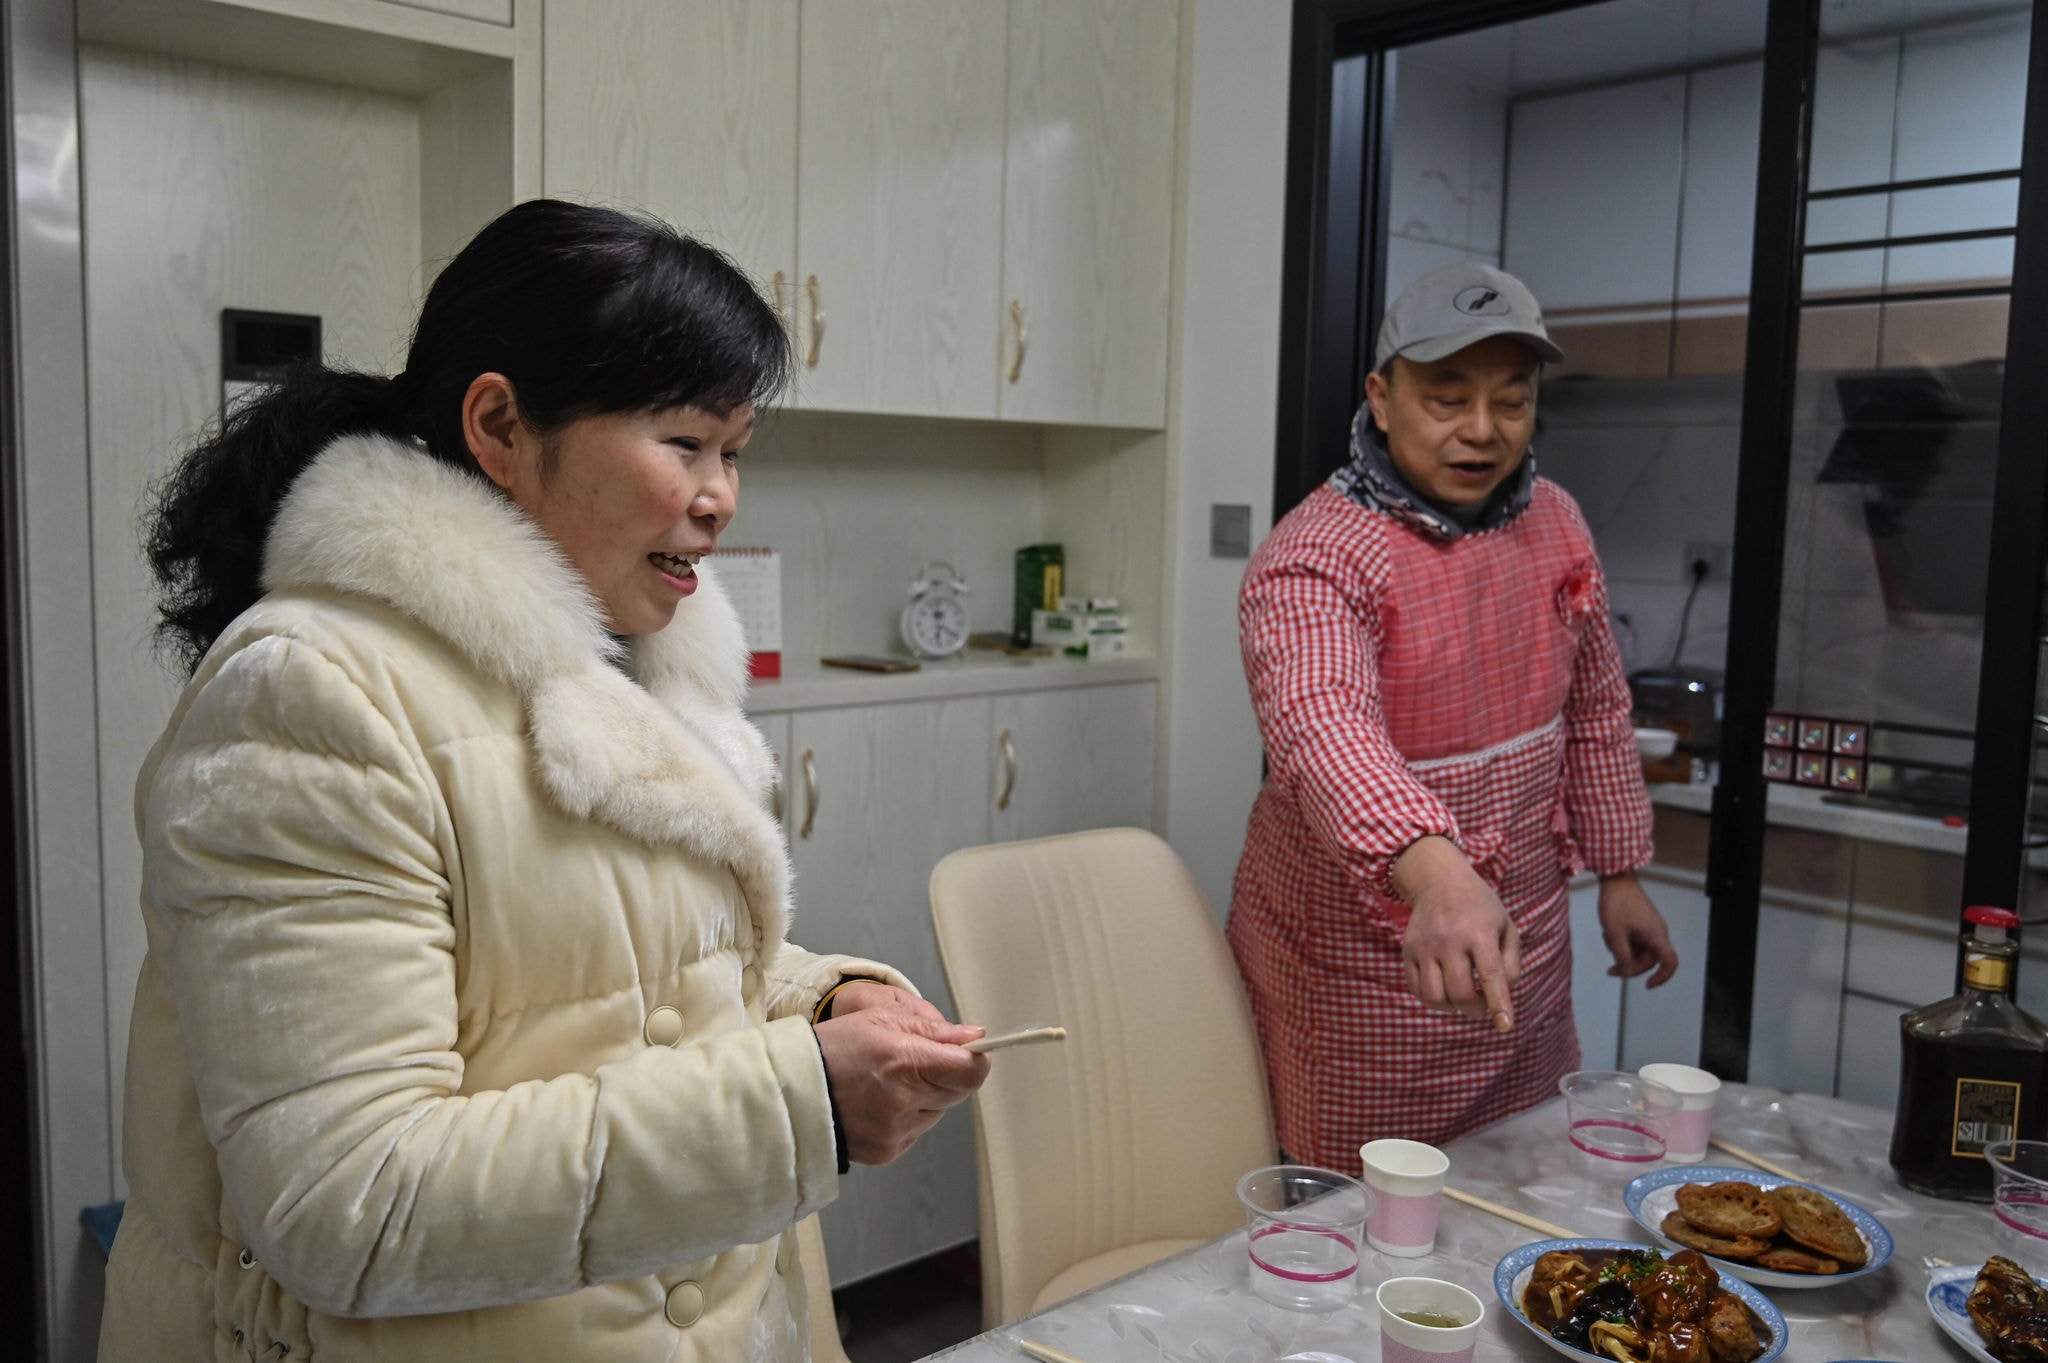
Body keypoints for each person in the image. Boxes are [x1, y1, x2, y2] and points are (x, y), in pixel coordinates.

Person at [99, 200, 990, 1363]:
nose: (719, 496)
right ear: (501, 425)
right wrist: (802, 1102)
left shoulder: (629, 653)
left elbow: (641, 973)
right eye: (683, 442)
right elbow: (347, 1202)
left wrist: (819, 1000)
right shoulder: (312, 698)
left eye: (735, 452)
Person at [1229, 262, 1677, 1168]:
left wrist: (1621, 870)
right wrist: (1437, 876)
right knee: (1366, 1219)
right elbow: (1324, 728)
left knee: (1522, 1184)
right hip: (1360, 972)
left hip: (1525, 950)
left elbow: (1592, 705)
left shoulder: (1556, 522)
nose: (1482, 431)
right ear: (1382, 398)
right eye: (1446, 398)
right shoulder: (1315, 555)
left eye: (1512, 401)